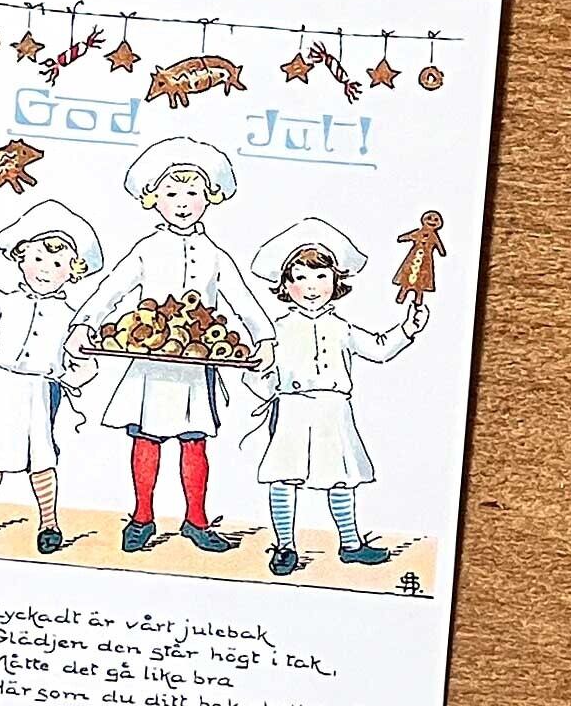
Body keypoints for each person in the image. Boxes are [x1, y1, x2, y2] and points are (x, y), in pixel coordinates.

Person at [68, 136, 276, 553]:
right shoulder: (146, 250)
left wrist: (265, 337)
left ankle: (196, 520)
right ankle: (142, 517)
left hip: (196, 368)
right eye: (171, 194)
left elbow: (242, 299)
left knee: (194, 441)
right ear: (154, 199)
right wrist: (83, 323)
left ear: (209, 197)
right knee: (146, 438)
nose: (182, 203)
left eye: (193, 193)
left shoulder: (215, 255)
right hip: (149, 364)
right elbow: (112, 289)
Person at [246, 218, 429, 576]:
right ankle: (285, 546)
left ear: (336, 281)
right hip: (293, 409)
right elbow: (257, 370)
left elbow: (378, 348)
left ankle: (351, 544)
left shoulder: (341, 327)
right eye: (300, 277)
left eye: (320, 276)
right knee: (284, 475)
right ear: (285, 285)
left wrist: (407, 328)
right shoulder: (276, 330)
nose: (311, 287)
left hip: (334, 410)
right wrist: (265, 377)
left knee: (341, 476)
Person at [0, 200, 102, 554]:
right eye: (37, 258)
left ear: (72, 272)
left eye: (57, 264)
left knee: (40, 459)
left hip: (38, 393)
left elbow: (86, 364)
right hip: (0, 386)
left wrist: (71, 375)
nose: (44, 270)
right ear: (21, 258)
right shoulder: (8, 302)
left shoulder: (72, 317)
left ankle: (49, 523)